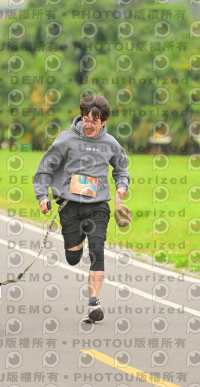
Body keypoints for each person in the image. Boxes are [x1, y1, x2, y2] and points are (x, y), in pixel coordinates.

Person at [33, 94, 130, 323]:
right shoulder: (66, 139)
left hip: (98, 206)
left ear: (103, 122)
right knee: (73, 257)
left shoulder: (111, 143)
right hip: (70, 206)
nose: (89, 125)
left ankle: (94, 303)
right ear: (82, 117)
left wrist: (122, 186)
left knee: (97, 250)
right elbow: (45, 168)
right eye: (86, 119)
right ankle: (76, 243)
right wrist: (42, 196)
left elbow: (121, 169)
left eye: (94, 122)